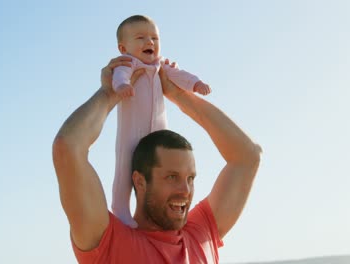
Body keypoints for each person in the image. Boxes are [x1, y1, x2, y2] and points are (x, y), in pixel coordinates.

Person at [52, 56, 262, 263]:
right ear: (140, 181)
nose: (185, 190)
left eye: (190, 178)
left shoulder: (201, 234)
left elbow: (248, 155)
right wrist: (108, 94)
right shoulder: (110, 243)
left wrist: (178, 95)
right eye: (172, 177)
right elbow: (68, 147)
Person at [112, 15, 211, 227]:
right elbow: (118, 77)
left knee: (162, 172)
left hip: (158, 131)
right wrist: (121, 86)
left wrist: (196, 83)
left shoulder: (161, 66)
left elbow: (180, 75)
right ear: (123, 47)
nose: (149, 42)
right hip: (131, 132)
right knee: (125, 168)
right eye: (141, 38)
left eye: (154, 38)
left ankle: (164, 211)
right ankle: (120, 210)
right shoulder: (127, 65)